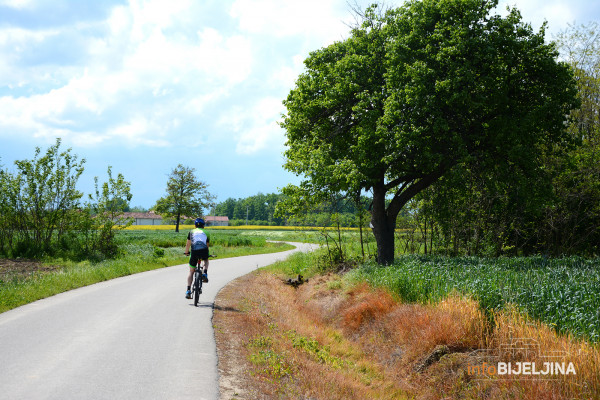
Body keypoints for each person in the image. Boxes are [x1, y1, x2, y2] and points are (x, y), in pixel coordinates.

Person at [183, 217, 210, 299]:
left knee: (191, 271)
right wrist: (207, 254)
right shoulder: (206, 232)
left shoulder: (191, 232)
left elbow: (188, 245)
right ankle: (205, 273)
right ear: (203, 226)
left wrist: (187, 252)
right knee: (205, 259)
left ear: (195, 225)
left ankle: (188, 290)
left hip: (194, 252)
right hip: (204, 250)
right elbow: (207, 245)